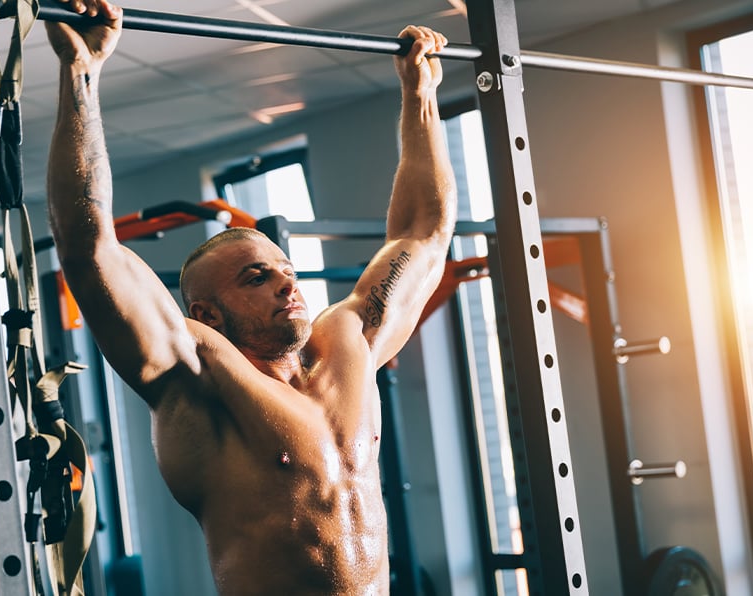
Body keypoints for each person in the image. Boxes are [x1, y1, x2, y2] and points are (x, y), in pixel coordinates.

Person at [45, 1, 456, 593]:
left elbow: (422, 234)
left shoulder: (349, 347)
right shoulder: (197, 381)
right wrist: (82, 72)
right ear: (206, 313)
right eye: (256, 278)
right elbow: (89, 250)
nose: (287, 284)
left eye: (285, 271)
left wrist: (420, 95)